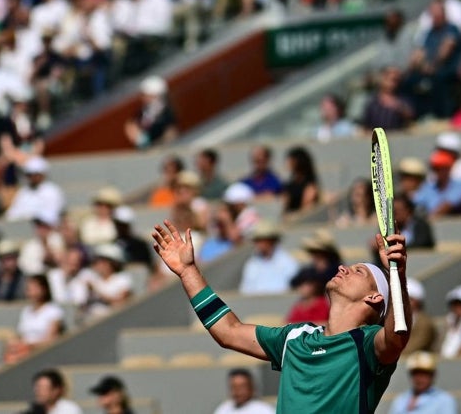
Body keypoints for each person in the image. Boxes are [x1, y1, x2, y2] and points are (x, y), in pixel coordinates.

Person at [151, 220, 411, 413]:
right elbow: (228, 331)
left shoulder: (367, 344)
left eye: (358, 271)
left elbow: (397, 334)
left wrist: (396, 275)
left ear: (374, 298)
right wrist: (187, 271)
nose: (343, 267)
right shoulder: (296, 337)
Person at [5, 275, 64, 364]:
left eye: (35, 287)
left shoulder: (53, 311)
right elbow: (20, 335)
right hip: (24, 352)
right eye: (29, 288)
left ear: (44, 289)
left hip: (42, 353)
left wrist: (29, 346)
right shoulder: (26, 311)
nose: (31, 291)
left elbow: (51, 340)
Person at [239, 221, 298, 295]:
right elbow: (245, 290)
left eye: (260, 240)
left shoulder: (288, 262)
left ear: (271, 240)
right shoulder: (252, 264)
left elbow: (290, 290)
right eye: (256, 240)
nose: (257, 244)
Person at [387, 351, 457, 414]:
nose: (419, 378)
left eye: (424, 373)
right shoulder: (400, 400)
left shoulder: (445, 401)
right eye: (416, 373)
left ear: (432, 375)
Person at [6, 157, 66, 222]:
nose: (32, 177)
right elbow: (13, 212)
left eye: (35, 174)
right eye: (29, 174)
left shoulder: (52, 191)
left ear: (43, 174)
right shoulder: (23, 191)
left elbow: (51, 215)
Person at [124, 75, 177, 149]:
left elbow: (171, 135)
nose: (143, 97)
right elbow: (131, 124)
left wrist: (153, 147)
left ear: (155, 95)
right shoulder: (143, 111)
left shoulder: (166, 113)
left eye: (145, 95)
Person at [413, 150, 461, 217]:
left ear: (449, 168)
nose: (437, 172)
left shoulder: (460, 185)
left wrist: (430, 218)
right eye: (435, 168)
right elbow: (417, 202)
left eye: (440, 168)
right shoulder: (429, 187)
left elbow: (448, 205)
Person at [403, 279, 437, 355]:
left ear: (417, 301)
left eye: (409, 298)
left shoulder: (425, 323)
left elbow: (416, 345)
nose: (404, 301)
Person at [282, 147, 320, 214]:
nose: (288, 163)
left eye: (291, 160)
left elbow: (305, 210)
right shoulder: (290, 185)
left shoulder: (310, 187)